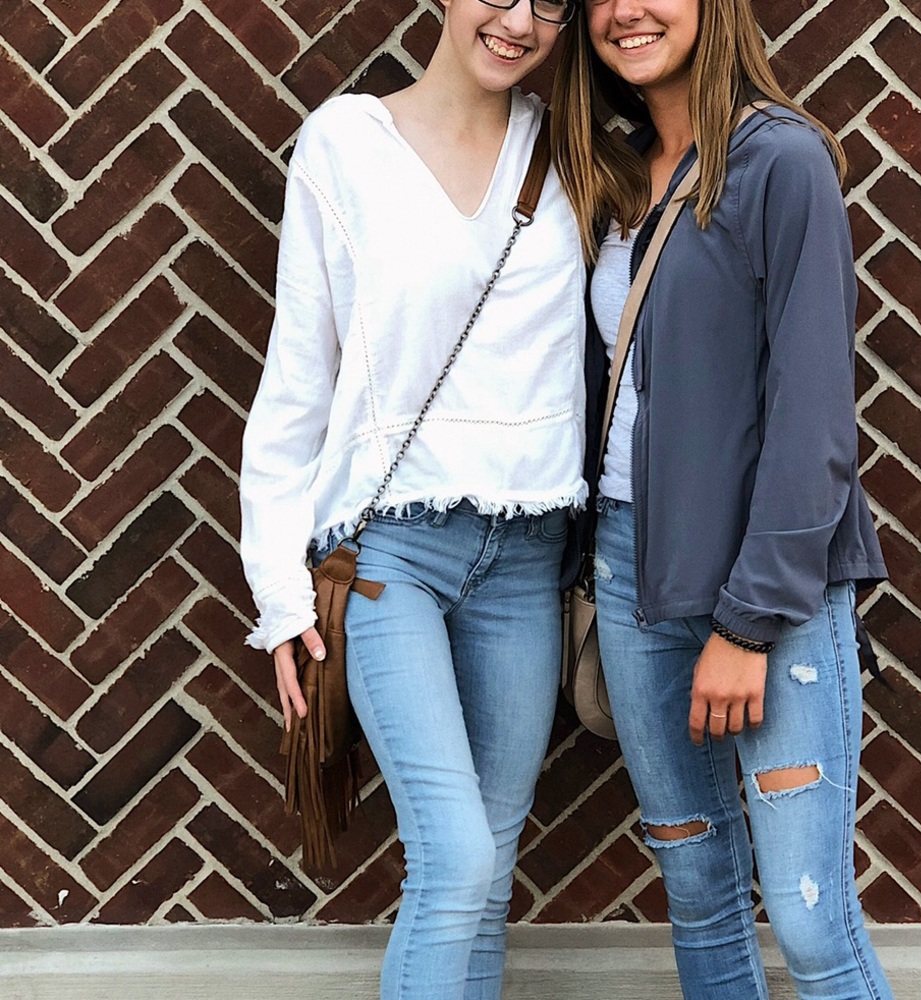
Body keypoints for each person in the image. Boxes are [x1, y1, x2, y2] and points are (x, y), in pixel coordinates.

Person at [239, 3, 586, 998]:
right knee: (457, 859)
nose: (518, 21)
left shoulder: (564, 153)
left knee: (488, 871)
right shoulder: (347, 142)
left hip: (526, 556)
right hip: (393, 554)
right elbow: (296, 381)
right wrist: (281, 598)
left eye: (548, 3)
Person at [550, 2, 895, 997]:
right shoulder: (612, 178)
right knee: (699, 891)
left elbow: (816, 418)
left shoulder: (778, 161)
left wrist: (745, 624)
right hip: (629, 578)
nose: (625, 10)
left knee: (809, 915)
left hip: (768, 590)